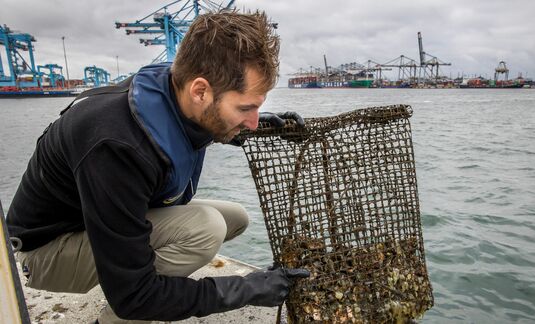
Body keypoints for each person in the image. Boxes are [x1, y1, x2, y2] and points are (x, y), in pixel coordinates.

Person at [7, 11, 309, 323]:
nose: (253, 118)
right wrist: (246, 290)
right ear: (200, 91)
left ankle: (145, 274)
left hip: (93, 219)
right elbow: (134, 297)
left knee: (235, 218)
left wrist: (254, 126)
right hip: (40, 252)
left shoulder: (178, 86)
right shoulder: (116, 146)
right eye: (246, 108)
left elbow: (185, 128)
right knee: (205, 230)